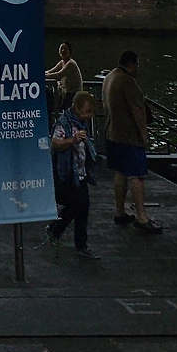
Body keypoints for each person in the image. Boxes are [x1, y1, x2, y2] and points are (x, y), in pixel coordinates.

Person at [102, 49, 162, 234]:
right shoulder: (127, 81)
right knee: (137, 175)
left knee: (120, 173)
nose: (137, 68)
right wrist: (143, 134)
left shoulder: (109, 77)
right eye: (137, 64)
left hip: (112, 133)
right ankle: (141, 217)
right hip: (129, 136)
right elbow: (137, 109)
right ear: (130, 64)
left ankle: (119, 211)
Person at [47, 90, 98, 258]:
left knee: (78, 207)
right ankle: (79, 244)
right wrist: (72, 140)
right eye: (86, 112)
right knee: (80, 206)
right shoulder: (64, 123)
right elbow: (55, 144)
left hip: (80, 171)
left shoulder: (82, 123)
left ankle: (55, 229)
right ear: (76, 108)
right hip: (69, 172)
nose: (89, 116)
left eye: (91, 112)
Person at [46, 43, 82, 110]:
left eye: (65, 49)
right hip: (66, 92)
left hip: (73, 93)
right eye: (61, 48)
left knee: (62, 107)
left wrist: (44, 76)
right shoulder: (62, 62)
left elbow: (59, 75)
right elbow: (51, 71)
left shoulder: (71, 63)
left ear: (69, 51)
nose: (63, 51)